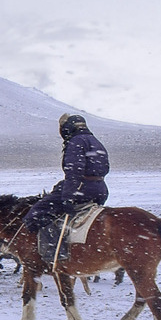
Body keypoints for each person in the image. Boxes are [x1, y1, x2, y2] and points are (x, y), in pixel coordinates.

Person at [22, 113, 109, 269]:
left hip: (82, 189)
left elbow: (73, 172)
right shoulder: (95, 141)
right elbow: (104, 168)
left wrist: (69, 196)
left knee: (37, 213)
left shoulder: (76, 142)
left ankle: (53, 255)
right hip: (100, 189)